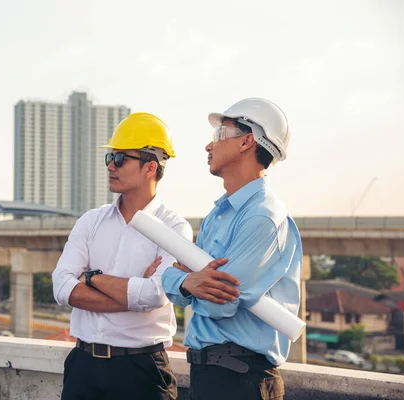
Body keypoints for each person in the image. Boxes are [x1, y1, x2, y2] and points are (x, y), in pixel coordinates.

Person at [52, 112, 242, 400]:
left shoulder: (173, 227)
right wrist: (132, 293)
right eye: (109, 158)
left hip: (141, 370)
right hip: (83, 367)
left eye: (119, 159)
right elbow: (62, 287)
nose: (110, 167)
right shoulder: (91, 221)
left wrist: (91, 278)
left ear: (150, 167)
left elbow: (154, 296)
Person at [162, 98, 303, 399]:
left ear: (247, 141)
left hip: (241, 379)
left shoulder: (263, 216)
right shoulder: (219, 213)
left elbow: (218, 303)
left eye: (218, 135)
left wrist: (186, 282)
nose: (208, 146)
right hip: (210, 375)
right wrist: (188, 282)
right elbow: (180, 289)